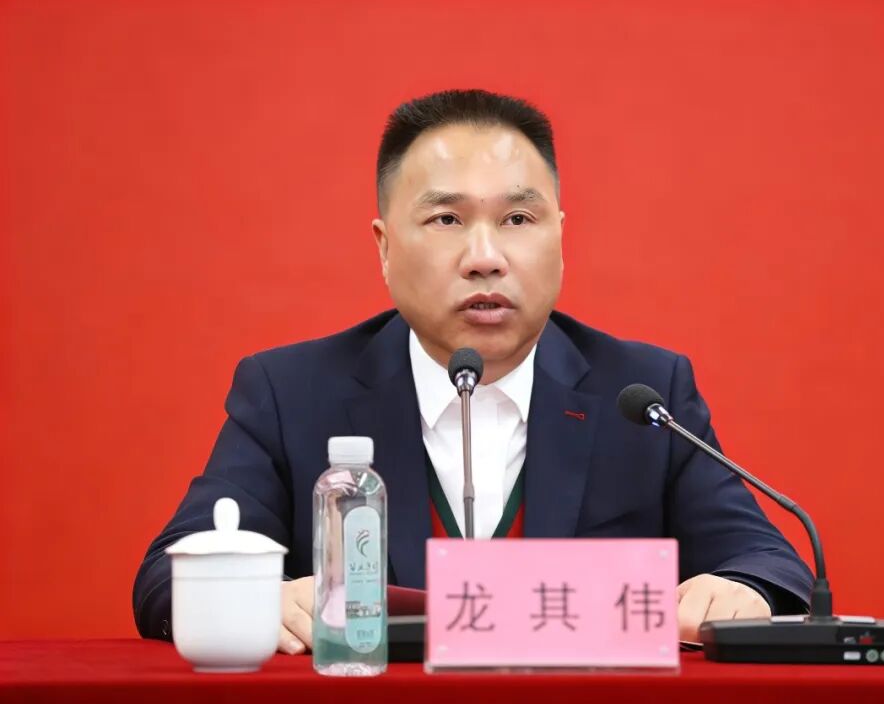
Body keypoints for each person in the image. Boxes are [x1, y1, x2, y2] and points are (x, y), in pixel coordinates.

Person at [134, 89, 813, 653]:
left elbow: (768, 563)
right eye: (446, 219)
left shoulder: (642, 394)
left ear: (560, 237)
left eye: (517, 217)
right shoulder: (291, 393)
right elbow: (167, 576)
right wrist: (258, 597)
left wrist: (741, 590)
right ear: (385, 248)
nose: (485, 256)